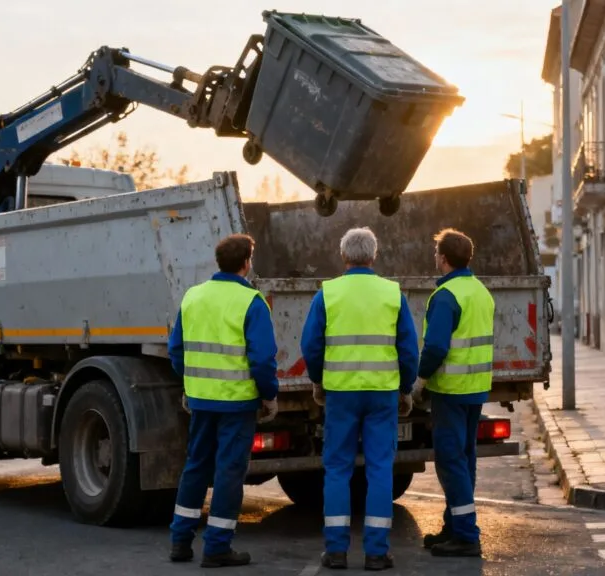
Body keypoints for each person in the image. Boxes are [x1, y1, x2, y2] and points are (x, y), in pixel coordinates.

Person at [300, 227, 419, 571]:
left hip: (341, 394)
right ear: (374, 255)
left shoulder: (328, 294)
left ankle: (336, 551)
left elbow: (310, 346)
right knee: (380, 469)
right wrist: (405, 388)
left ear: (344, 257)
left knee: (337, 468)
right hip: (382, 394)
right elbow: (408, 350)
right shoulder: (392, 293)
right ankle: (377, 553)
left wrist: (319, 381)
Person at [167, 233, 280, 568]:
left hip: (201, 401)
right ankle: (216, 546)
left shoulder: (193, 297)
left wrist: (192, 385)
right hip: (237, 404)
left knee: (196, 467)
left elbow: (177, 351)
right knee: (229, 472)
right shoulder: (251, 302)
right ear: (246, 263)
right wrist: (269, 395)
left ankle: (180, 541)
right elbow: (262, 360)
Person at [415, 228, 495, 558]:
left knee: (451, 462)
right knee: (465, 460)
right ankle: (454, 526)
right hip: (475, 390)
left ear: (444, 259)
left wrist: (420, 379)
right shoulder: (480, 292)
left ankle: (465, 534)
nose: (435, 258)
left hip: (450, 391)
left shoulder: (446, 297)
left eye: (437, 253)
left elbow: (435, 346)